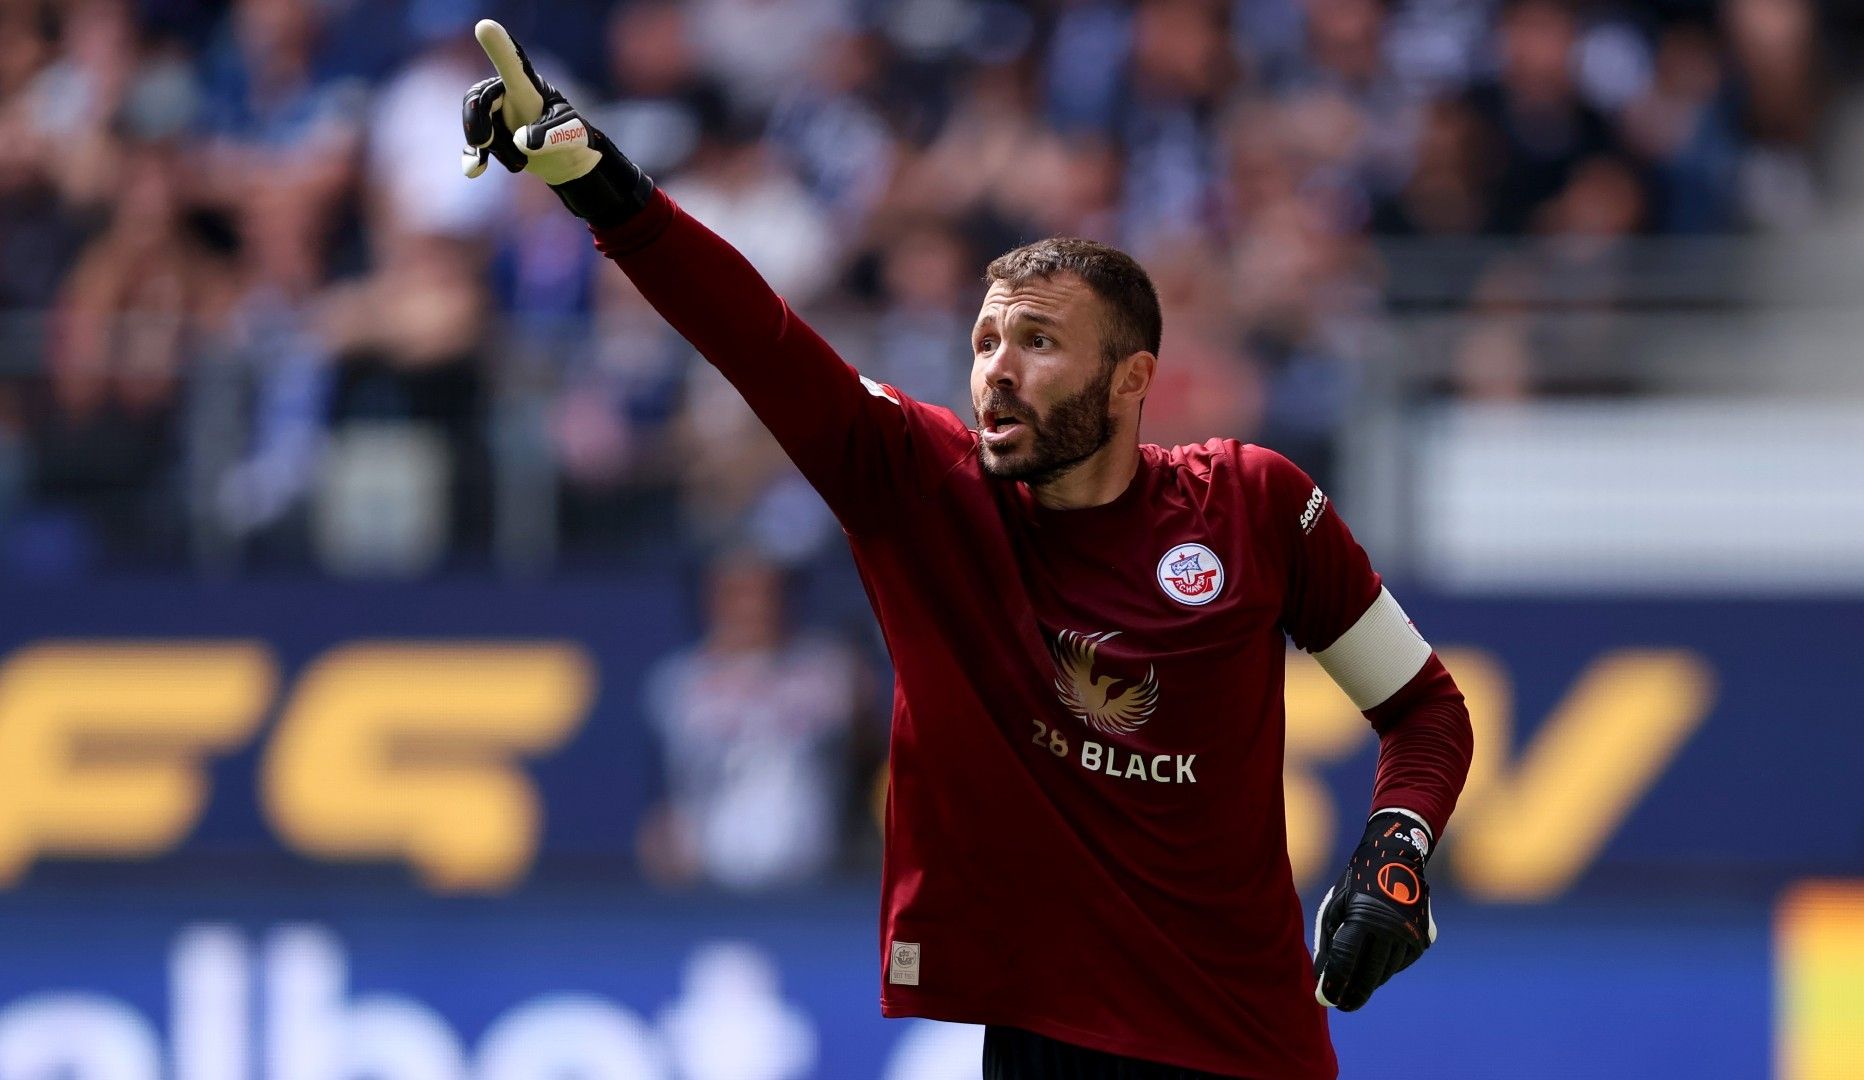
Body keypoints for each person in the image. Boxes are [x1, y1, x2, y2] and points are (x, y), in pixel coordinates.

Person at [458, 20, 1472, 1078]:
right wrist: (596, 182)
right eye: (986, 339)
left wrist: (1394, 853)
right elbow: (757, 339)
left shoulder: (1256, 505)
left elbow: (1424, 711)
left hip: (1250, 1045)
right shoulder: (921, 489)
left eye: (1037, 342)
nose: (996, 369)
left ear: (1131, 381)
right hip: (1043, 1040)